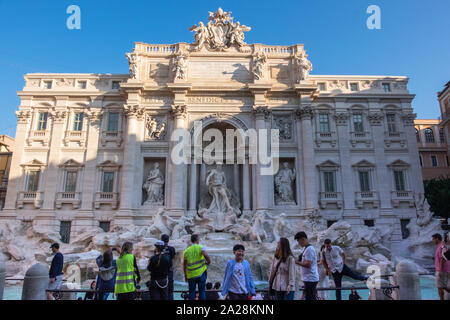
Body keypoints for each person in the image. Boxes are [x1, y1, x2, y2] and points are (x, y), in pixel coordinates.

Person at [183, 234, 211, 300]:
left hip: (191, 275)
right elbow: (205, 255)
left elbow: (184, 265)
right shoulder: (201, 247)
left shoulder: (186, 251)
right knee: (202, 292)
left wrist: (185, 275)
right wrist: (208, 262)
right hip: (201, 273)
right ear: (197, 240)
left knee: (191, 292)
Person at [294, 232, 319, 300]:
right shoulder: (305, 248)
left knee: (310, 297)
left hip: (310, 278)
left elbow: (308, 264)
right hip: (308, 278)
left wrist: (296, 262)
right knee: (310, 297)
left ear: (303, 239)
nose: (299, 243)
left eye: (299, 241)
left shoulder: (309, 249)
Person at [432, 233, 450, 300]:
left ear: (437, 238)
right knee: (442, 286)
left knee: (440, 287)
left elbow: (443, 258)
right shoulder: (441, 246)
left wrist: (440, 270)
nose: (433, 241)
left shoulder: (442, 246)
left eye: (433, 239)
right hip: (442, 269)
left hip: (442, 270)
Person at [161, 234, 176, 300]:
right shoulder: (172, 249)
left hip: (160, 272)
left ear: (161, 240)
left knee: (161, 289)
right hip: (169, 270)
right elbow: (173, 257)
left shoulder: (159, 249)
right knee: (170, 290)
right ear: (168, 240)